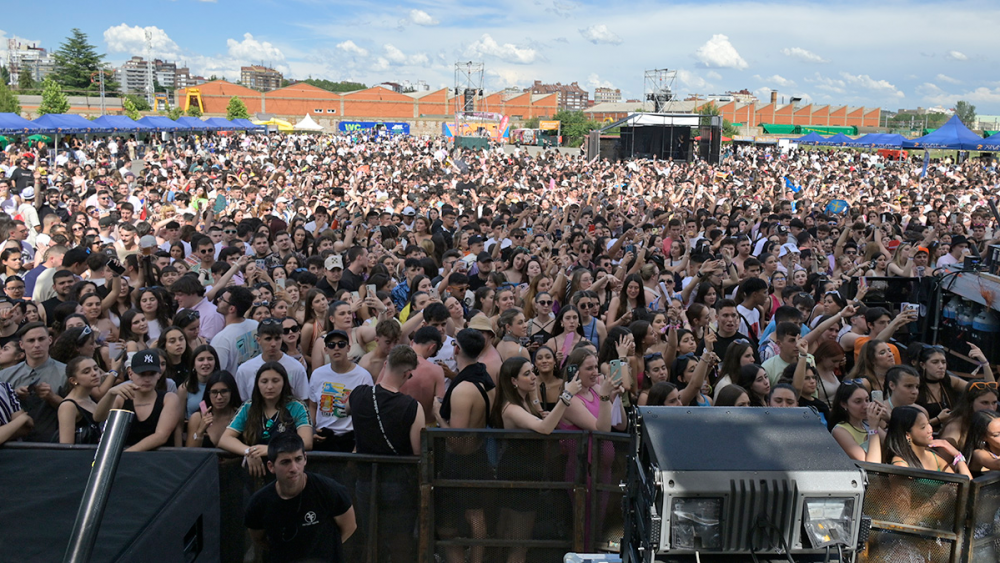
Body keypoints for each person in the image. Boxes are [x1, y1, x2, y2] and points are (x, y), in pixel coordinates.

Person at [349, 344, 424, 563]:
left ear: (385, 364)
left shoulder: (359, 394)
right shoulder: (411, 406)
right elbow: (417, 450)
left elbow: (346, 409)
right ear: (407, 374)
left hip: (364, 480)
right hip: (398, 482)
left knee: (372, 536)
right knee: (401, 539)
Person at [432, 328, 495, 563]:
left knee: (452, 523)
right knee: (475, 515)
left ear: (457, 349)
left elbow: (457, 441)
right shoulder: (485, 378)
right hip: (477, 455)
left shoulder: (463, 389)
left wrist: (438, 415)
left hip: (462, 461)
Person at [244, 432, 356, 563]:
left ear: (305, 459)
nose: (294, 468)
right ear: (271, 466)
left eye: (298, 459)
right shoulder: (259, 502)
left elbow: (350, 526)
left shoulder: (329, 490)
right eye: (285, 462)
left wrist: (326, 550)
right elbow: (258, 538)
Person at [219, 361, 313, 478]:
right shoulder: (248, 407)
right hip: (255, 474)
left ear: (284, 383)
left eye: (275, 381)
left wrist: (270, 450)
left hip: (288, 473)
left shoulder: (297, 406)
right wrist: (250, 452)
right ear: (257, 384)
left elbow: (307, 442)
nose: (269, 386)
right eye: (264, 381)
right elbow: (225, 439)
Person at [93, 351, 181, 451]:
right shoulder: (121, 398)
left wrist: (126, 454)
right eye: (142, 374)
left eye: (152, 374)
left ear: (159, 375)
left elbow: (161, 436)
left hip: (158, 460)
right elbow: (98, 417)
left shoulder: (169, 398)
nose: (147, 379)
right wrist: (110, 394)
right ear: (130, 374)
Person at [0, 321, 67, 442]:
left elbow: (80, 412)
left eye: (41, 339)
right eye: (31, 341)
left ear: (50, 340)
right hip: (13, 444)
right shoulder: (5, 375)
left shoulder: (66, 373)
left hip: (53, 442)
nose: (37, 345)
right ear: (21, 345)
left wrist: (52, 397)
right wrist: (12, 396)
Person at [309, 330, 374, 452]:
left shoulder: (363, 376)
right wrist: (311, 431)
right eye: (331, 345)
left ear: (348, 348)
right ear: (326, 350)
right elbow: (313, 406)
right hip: (323, 436)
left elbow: (368, 414)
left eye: (341, 344)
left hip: (350, 437)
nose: (336, 348)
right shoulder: (317, 374)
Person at [883, 405, 971, 477]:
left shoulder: (934, 457)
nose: (930, 430)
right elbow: (902, 498)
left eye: (929, 424)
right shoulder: (900, 465)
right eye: (923, 427)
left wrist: (957, 455)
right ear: (907, 435)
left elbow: (967, 486)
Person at [235, 318, 309, 402]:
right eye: (268, 339)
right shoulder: (245, 370)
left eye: (277, 339)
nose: (273, 344)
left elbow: (303, 401)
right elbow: (242, 403)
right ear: (258, 340)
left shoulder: (296, 368)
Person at [211, 286, 262, 375]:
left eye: (222, 299)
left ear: (232, 309)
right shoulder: (256, 325)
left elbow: (216, 374)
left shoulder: (221, 339)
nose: (218, 299)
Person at [186, 370, 241, 448]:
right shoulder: (197, 418)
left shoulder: (240, 416)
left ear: (232, 392)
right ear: (208, 393)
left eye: (224, 391)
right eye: (214, 392)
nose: (219, 397)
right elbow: (189, 453)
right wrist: (200, 431)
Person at [56, 356, 103, 444]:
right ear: (73, 380)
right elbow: (66, 445)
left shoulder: (90, 399)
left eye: (96, 369)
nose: (94, 373)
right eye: (86, 372)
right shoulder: (68, 406)